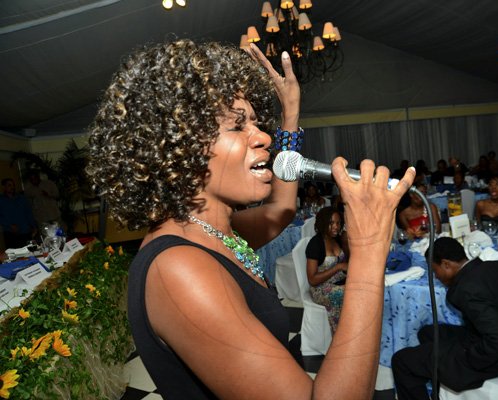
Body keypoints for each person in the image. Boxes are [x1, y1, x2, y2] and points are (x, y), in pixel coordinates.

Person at [86, 39, 416, 399]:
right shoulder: (178, 268)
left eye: (257, 122)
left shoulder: (208, 231)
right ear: (179, 147)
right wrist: (368, 250)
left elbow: (280, 211)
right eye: (236, 126)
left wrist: (290, 114)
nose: (262, 136)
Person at [391, 237, 498, 400]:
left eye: (434, 270)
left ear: (446, 264)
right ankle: (439, 389)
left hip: (495, 359)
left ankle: (445, 370)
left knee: (401, 361)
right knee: (428, 333)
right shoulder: (497, 266)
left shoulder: (466, 289)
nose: (436, 277)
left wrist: (466, 359)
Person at [305, 206, 348, 332]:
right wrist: (338, 267)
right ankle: (339, 335)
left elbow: (346, 263)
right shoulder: (315, 244)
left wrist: (346, 243)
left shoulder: (337, 239)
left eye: (338, 223)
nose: (336, 226)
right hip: (321, 288)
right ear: (323, 223)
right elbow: (312, 279)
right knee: (346, 293)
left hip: (339, 281)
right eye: (331, 223)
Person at [0, 178, 37, 249]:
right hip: (10, 233)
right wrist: (9, 225)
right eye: (9, 185)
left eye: (13, 185)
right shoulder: (1, 200)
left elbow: (28, 213)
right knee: (14, 255)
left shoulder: (21, 198)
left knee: (28, 252)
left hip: (25, 231)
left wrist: (34, 226)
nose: (12, 187)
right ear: (4, 187)